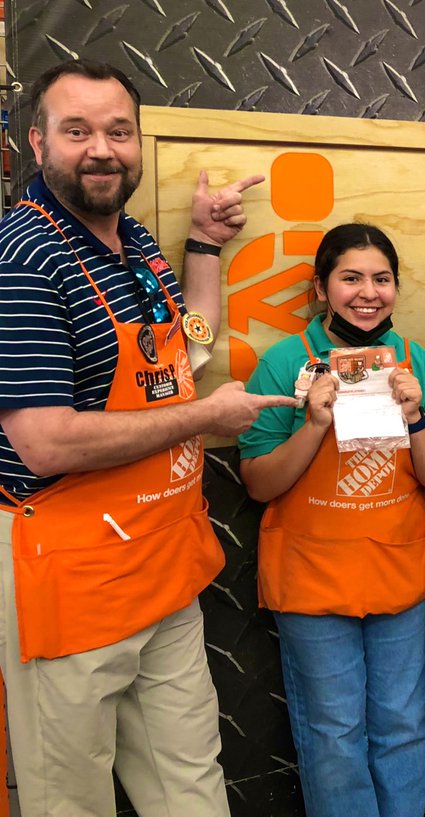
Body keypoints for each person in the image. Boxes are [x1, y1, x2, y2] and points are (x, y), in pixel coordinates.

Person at [0, 59, 285, 816]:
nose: (102, 149)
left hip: (159, 563)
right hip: (74, 573)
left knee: (190, 785)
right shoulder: (23, 259)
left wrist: (203, 242)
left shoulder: (131, 236)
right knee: (72, 800)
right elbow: (45, 442)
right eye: (77, 130)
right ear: (37, 141)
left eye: (118, 131)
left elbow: (184, 349)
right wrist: (204, 418)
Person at [238, 223, 425, 817]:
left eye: (381, 279)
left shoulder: (417, 365)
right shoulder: (287, 362)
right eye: (350, 278)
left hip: (400, 574)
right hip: (314, 581)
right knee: (333, 735)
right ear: (320, 288)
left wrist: (415, 419)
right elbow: (259, 482)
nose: (368, 292)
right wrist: (313, 424)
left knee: (404, 725)